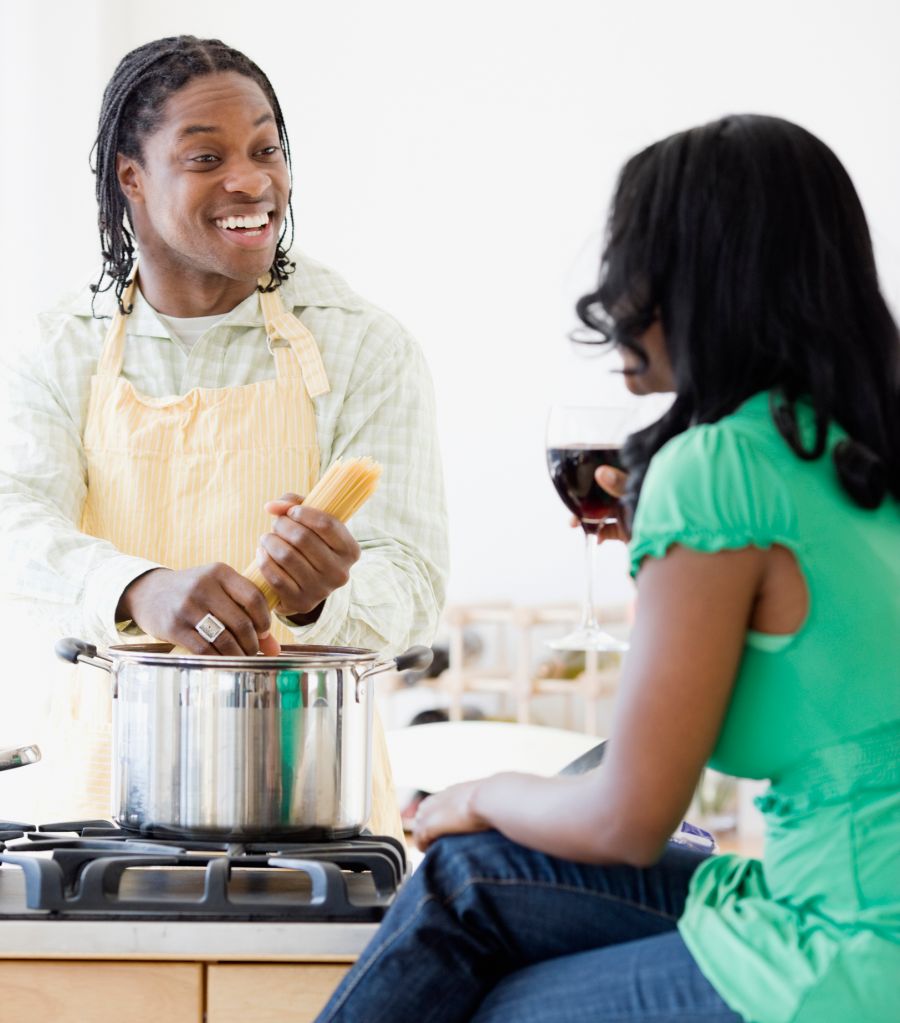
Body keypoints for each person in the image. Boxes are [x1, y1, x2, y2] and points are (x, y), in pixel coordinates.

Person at [315, 114, 900, 1022]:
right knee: (472, 876)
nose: (612, 293)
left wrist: (473, 792)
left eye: (634, 254)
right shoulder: (852, 458)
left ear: (706, 276)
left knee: (495, 995)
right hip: (833, 906)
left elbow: (627, 819)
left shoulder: (720, 469)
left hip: (848, 957)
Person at [0, 35, 447, 834]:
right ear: (131, 178)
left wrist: (320, 603)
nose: (253, 180)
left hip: (313, 807)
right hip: (97, 808)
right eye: (205, 158)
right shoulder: (57, 346)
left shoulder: (364, 347)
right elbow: (13, 530)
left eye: (266, 149)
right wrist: (141, 588)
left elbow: (413, 586)